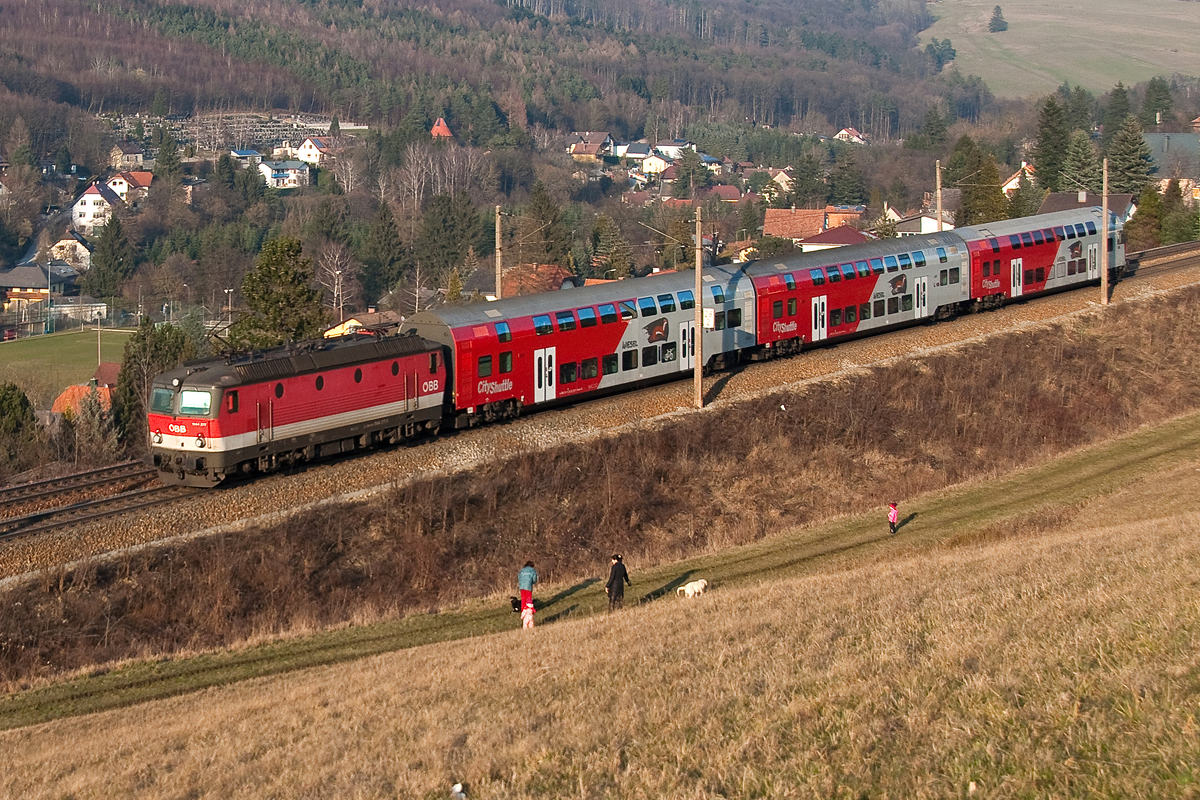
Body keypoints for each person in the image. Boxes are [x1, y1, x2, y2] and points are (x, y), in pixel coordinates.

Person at [518, 561, 538, 628]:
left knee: (523, 599)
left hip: (521, 586)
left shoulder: (522, 570)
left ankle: (523, 611)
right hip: (528, 586)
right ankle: (529, 611)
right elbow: (534, 579)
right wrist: (533, 582)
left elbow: (519, 577)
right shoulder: (532, 570)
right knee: (529, 599)